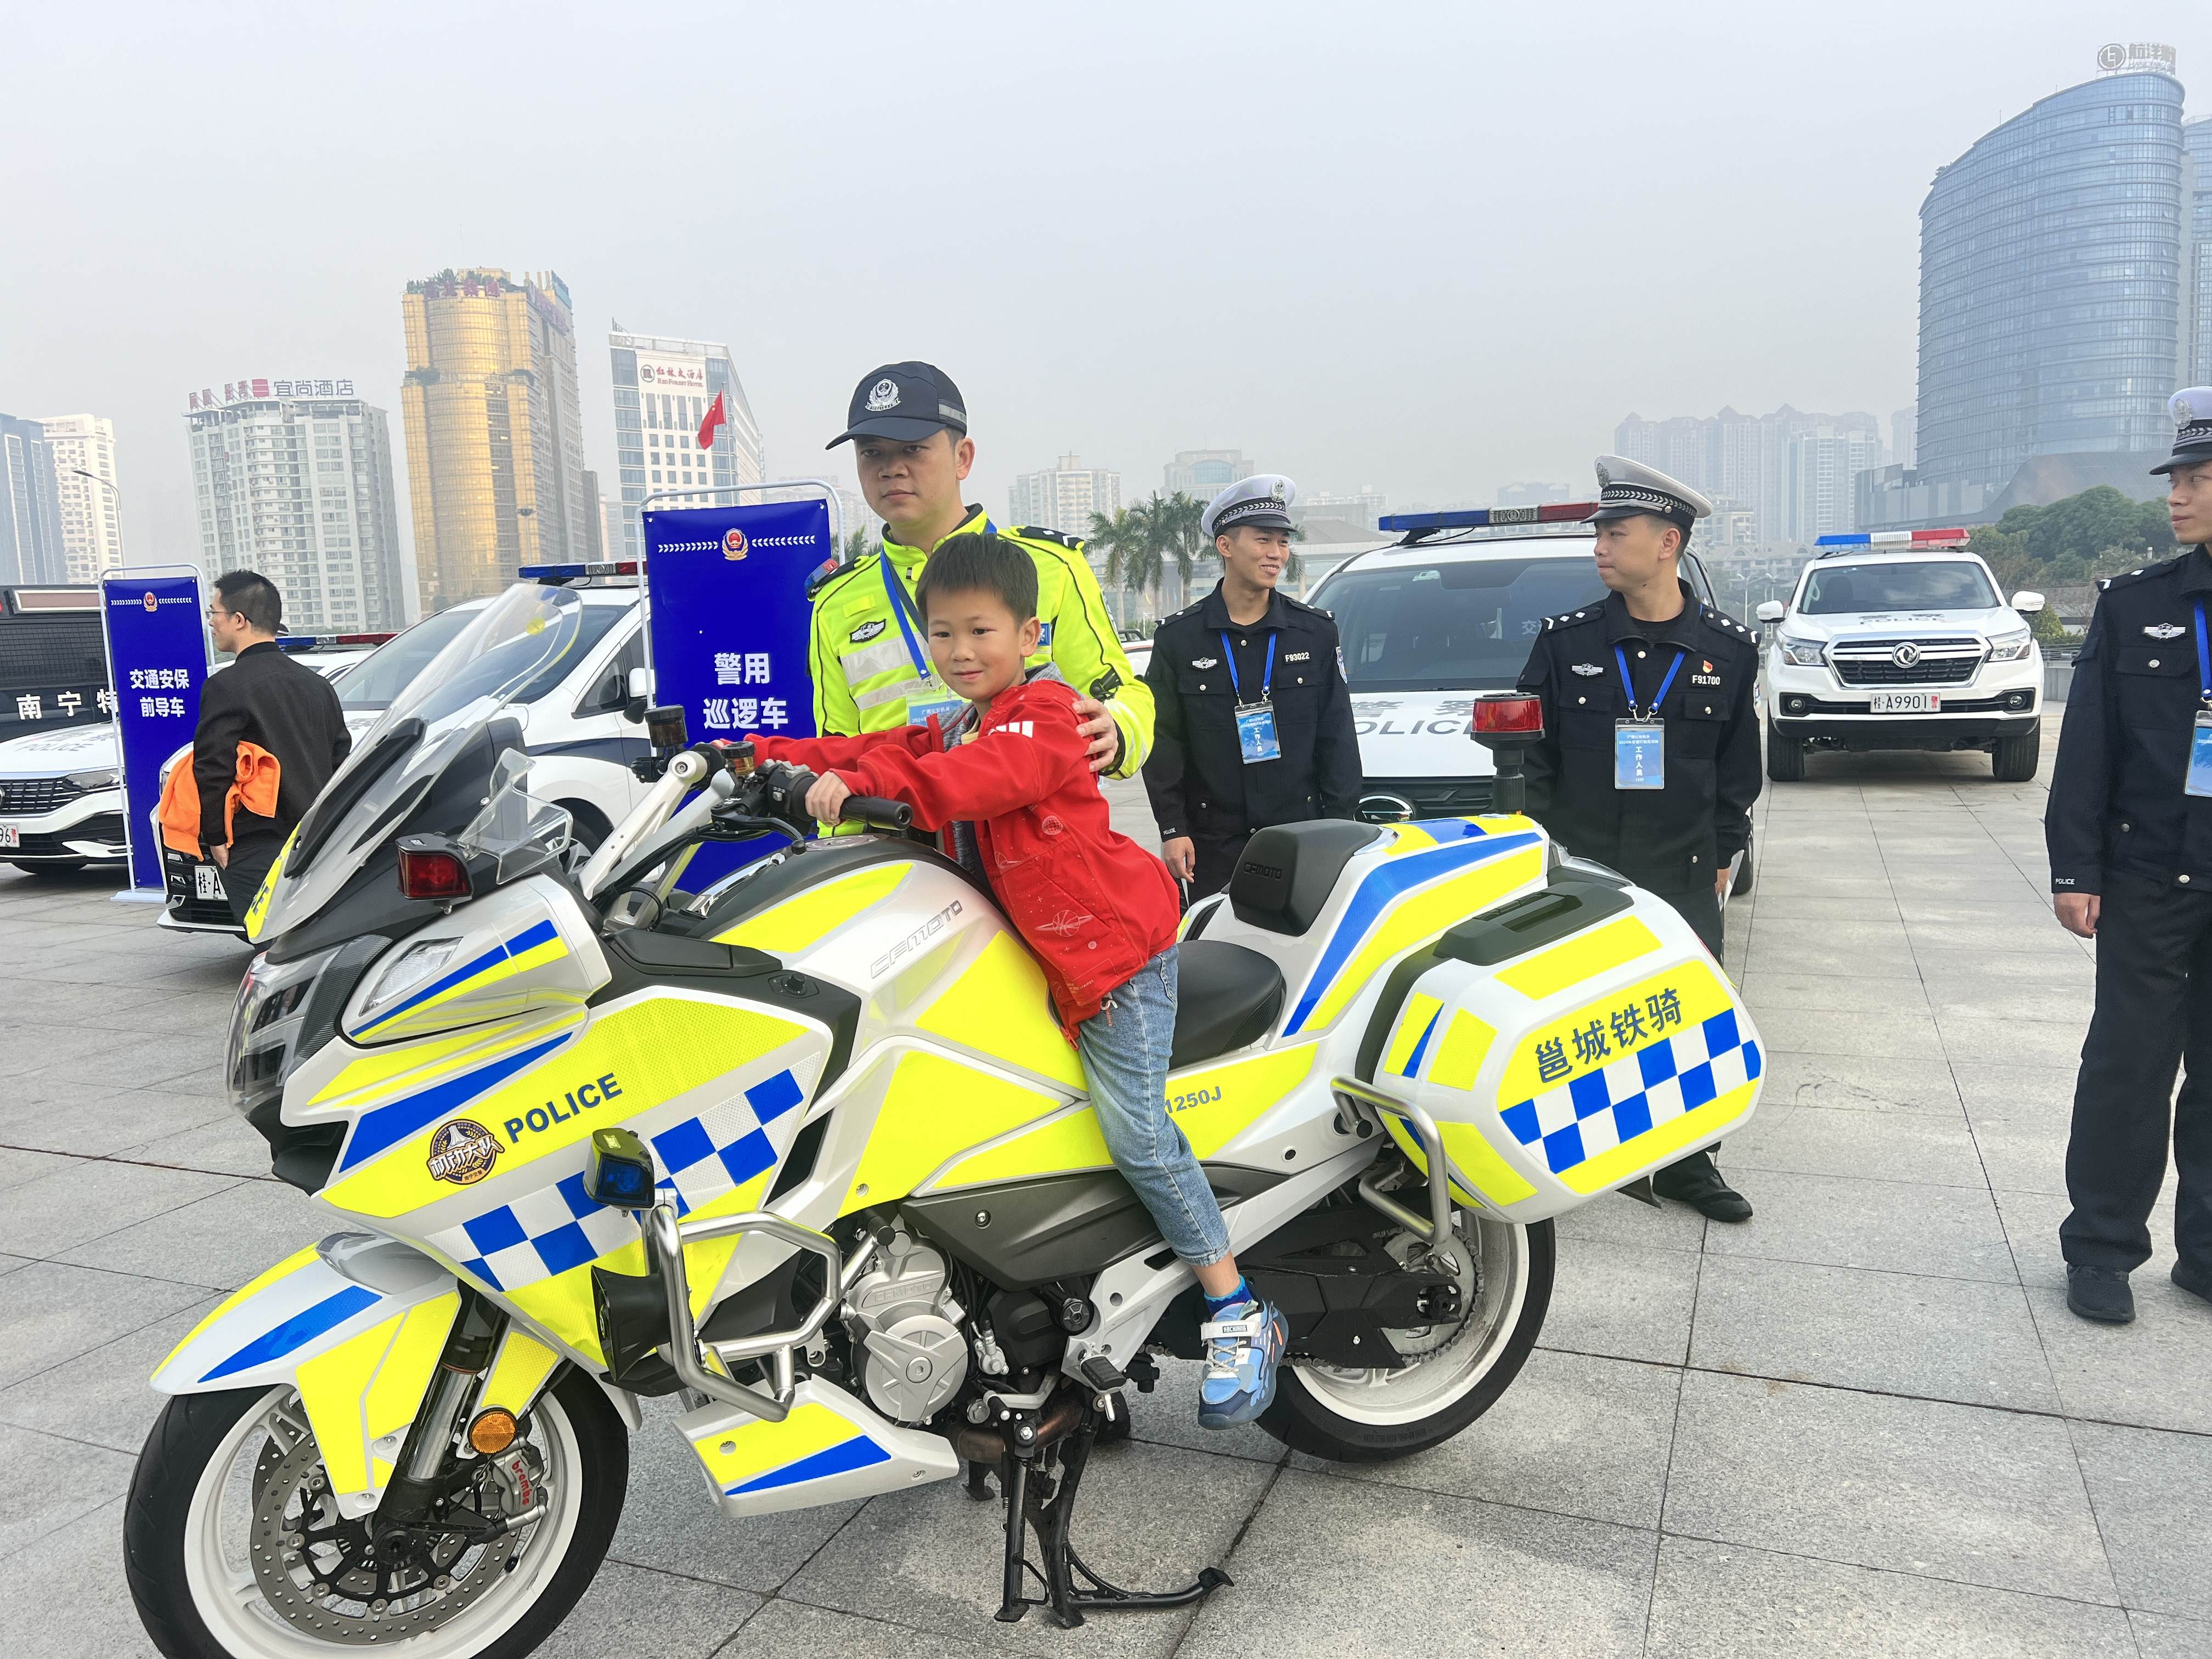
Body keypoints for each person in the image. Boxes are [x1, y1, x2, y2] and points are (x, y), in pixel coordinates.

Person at [748, 532, 1287, 1426]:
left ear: (1030, 633)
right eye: (944, 634)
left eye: (981, 632)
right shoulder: (960, 719)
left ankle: (1235, 1304)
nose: (961, 651)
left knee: (1137, 1133)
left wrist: (872, 794)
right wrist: (760, 758)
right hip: (1037, 961)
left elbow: (967, 782)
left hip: (1113, 964)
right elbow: (878, 748)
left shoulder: (1044, 716)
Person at [1514, 456, 1761, 1222]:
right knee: (1571, 1020)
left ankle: (1690, 1166)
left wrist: (1724, 850)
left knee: (1689, 1018)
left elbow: (1736, 766)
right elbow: (1532, 762)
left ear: (1667, 543)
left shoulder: (1727, 648)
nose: (1599, 548)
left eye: (1615, 534)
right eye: (1598, 535)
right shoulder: (1565, 644)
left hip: (1683, 867)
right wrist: (1546, 857)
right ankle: (1567, 1162)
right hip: (1585, 868)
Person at [2045, 386, 2212, 1325]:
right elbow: (2088, 750)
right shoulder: (2138, 604)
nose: (2174, 496)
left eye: (2194, 478)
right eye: (2175, 478)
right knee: (2129, 1063)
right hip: (2150, 872)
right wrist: (2076, 870)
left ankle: (2206, 1250)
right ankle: (2102, 1246)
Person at [810, 361, 1151, 785]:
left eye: (913, 449)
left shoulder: (1052, 567)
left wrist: (1116, 729)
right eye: (872, 452)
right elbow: (837, 746)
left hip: (1028, 831)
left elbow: (1121, 694)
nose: (891, 468)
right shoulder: (834, 601)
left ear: (963, 457)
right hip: (900, 836)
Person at [1143, 474, 1363, 900]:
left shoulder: (1314, 633)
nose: (1276, 554)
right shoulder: (1179, 639)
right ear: (1225, 546)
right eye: (1264, 540)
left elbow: (1337, 737)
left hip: (1302, 837)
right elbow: (1164, 742)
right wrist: (1172, 829)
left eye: (1282, 543)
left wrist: (1342, 828)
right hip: (1212, 844)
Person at [191, 570, 350, 928]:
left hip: (256, 844)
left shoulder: (225, 687)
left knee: (272, 945)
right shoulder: (317, 685)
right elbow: (341, 760)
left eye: (214, 613)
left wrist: (215, 837)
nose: (212, 623)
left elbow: (213, 768)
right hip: (317, 841)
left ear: (239, 620)